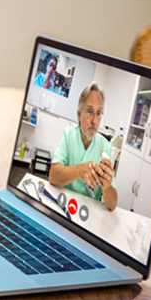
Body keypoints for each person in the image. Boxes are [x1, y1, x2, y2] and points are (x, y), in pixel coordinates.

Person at [48, 82, 118, 210]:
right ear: (80, 114)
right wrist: (79, 171)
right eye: (90, 112)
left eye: (98, 113)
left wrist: (107, 186)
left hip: (88, 211)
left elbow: (112, 205)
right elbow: (53, 176)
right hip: (64, 203)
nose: (94, 121)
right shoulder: (69, 134)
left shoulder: (105, 147)